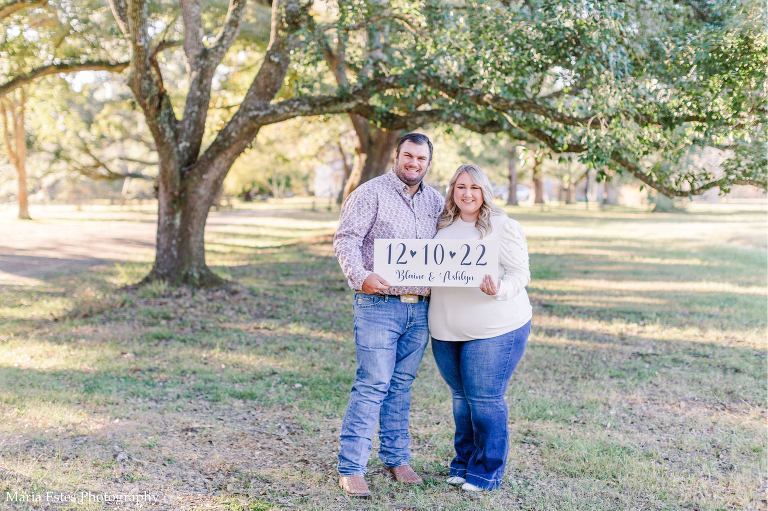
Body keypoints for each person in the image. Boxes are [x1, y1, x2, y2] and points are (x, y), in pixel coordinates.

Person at [333, 133, 445, 497]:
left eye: (421, 159)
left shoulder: (436, 201)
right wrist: (361, 277)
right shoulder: (370, 193)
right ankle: (351, 468)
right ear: (396, 156)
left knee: (401, 386)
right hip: (378, 306)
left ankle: (397, 458)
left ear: (429, 163)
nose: (414, 164)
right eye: (408, 156)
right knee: (373, 384)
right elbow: (346, 238)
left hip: (421, 308)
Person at [428, 164, 532, 492]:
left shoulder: (503, 226)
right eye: (460, 187)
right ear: (452, 191)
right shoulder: (441, 226)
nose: (467, 193)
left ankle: (487, 471)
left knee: (484, 400)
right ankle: (463, 462)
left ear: (485, 191)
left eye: (474, 187)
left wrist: (498, 289)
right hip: (445, 328)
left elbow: (520, 273)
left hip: (495, 327)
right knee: (461, 399)